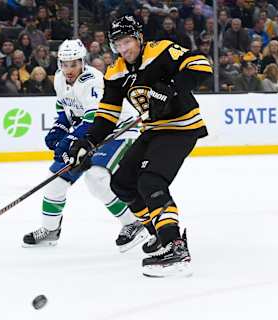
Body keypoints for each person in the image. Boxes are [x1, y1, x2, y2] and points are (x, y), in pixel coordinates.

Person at [67, 16, 212, 277]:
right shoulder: (116, 71)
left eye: (127, 42)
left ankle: (174, 245)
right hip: (153, 130)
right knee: (122, 183)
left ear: (139, 38)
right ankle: (158, 233)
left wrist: (172, 88)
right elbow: (107, 116)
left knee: (151, 182)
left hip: (181, 127)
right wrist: (87, 142)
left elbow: (202, 65)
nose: (124, 49)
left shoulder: (161, 51)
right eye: (117, 45)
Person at [22, 39, 147, 252]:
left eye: (74, 64)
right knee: (55, 183)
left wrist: (69, 141)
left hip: (117, 131)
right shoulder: (59, 79)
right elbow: (65, 109)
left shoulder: (93, 81)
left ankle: (133, 223)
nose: (69, 69)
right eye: (65, 63)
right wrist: (60, 128)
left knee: (97, 178)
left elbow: (93, 120)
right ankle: (50, 229)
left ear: (83, 62)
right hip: (90, 136)